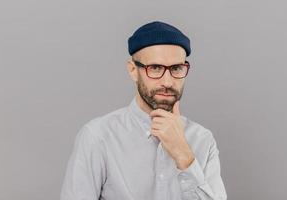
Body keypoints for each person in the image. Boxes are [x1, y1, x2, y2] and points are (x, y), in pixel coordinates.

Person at [60, 21, 227, 200]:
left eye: (177, 68)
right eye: (155, 68)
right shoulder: (98, 137)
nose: (168, 82)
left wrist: (183, 155)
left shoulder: (203, 140)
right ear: (133, 70)